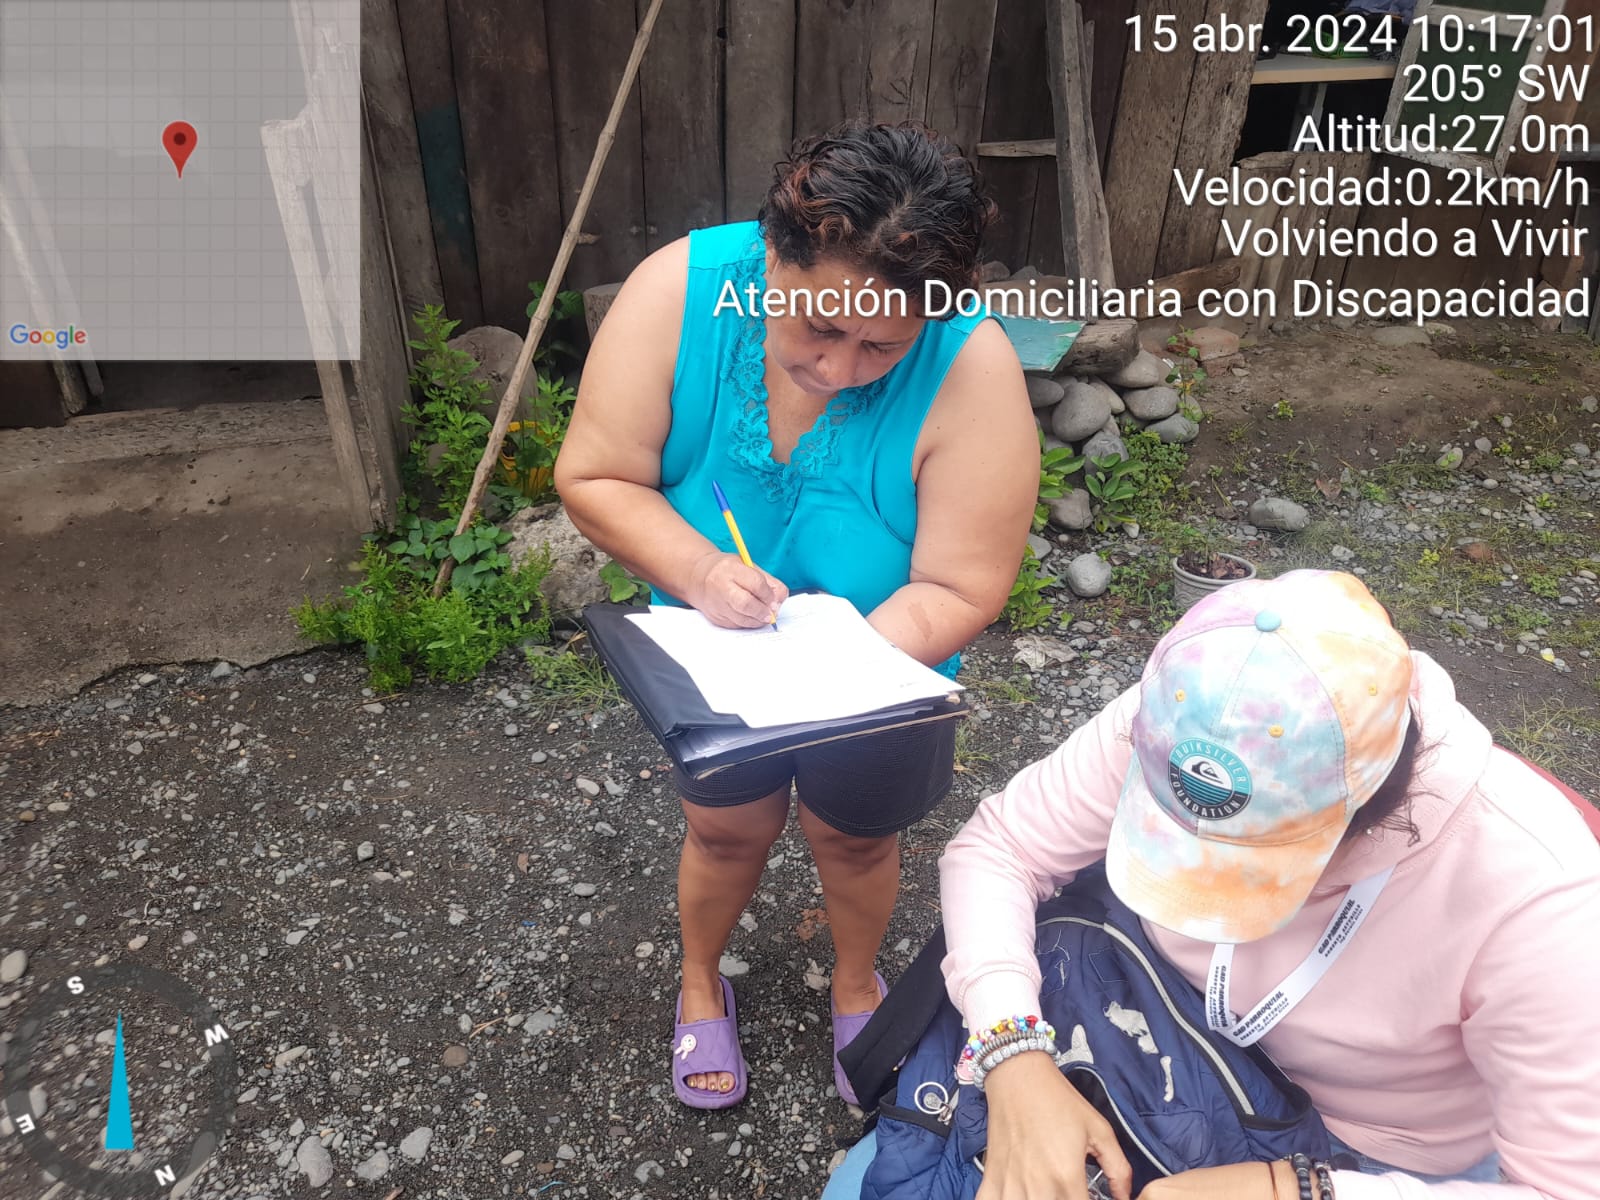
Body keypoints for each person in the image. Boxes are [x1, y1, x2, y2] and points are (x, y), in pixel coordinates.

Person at [825, 569, 1600, 1199]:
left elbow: (1567, 1186)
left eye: (1249, 863)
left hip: (1365, 1148)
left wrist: (1295, 1190)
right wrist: (1012, 1050)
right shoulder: (1201, 709)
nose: (1202, 894)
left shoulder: (1540, 897)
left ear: (1373, 808)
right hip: (1140, 1016)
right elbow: (1000, 847)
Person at [553, 120, 1039, 1110]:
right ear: (772, 259)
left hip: (886, 670)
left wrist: (829, 671)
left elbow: (960, 587)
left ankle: (856, 985)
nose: (841, 368)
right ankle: (700, 981)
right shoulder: (681, 293)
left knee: (858, 839)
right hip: (716, 655)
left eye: (882, 345)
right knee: (723, 832)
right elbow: (595, 475)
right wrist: (697, 568)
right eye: (819, 326)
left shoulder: (972, 367)